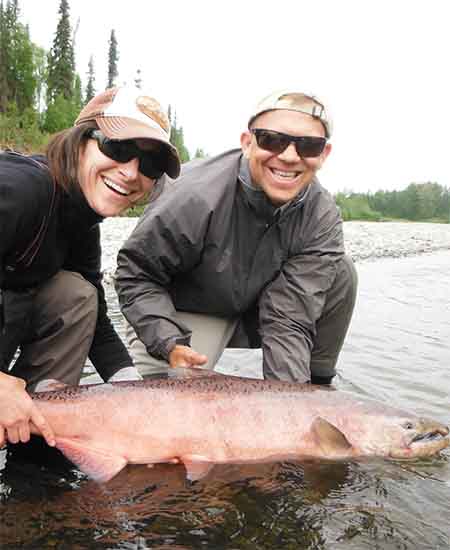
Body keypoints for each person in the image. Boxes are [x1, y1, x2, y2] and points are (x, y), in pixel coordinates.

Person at [115, 89, 357, 384]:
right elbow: (135, 275)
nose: (290, 156)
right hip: (184, 311)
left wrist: (294, 399)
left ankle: (317, 389)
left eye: (309, 146)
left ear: (324, 154)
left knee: (343, 272)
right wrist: (169, 343)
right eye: (272, 140)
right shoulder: (192, 195)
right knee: (164, 402)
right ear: (247, 142)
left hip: (256, 313)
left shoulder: (321, 216)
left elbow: (289, 318)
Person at [0, 85, 181, 448]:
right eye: (118, 148)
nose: (131, 172)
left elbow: (95, 319)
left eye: (150, 164)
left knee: (78, 295)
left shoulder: (80, 217)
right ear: (79, 140)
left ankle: (38, 454)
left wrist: (136, 395)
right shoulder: (19, 190)